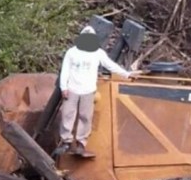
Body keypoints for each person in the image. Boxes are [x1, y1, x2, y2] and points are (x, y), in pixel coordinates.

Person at [56, 25, 139, 158]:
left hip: (88, 90)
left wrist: (127, 74)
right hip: (72, 89)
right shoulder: (71, 52)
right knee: (67, 115)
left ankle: (81, 144)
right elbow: (65, 70)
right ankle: (66, 141)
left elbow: (110, 65)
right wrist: (63, 87)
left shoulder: (98, 53)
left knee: (86, 117)